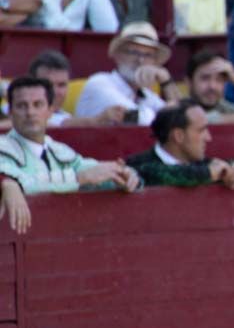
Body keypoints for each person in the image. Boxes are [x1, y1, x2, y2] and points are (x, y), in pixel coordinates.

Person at [0, 76, 139, 230]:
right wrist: (79, 178)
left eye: (38, 105)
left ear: (50, 111)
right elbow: (25, 182)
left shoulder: (59, 151)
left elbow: (92, 169)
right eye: (21, 106)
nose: (30, 112)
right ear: (10, 112)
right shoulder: (3, 148)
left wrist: (122, 175)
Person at [127, 99, 234, 188]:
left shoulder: (201, 164)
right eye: (201, 130)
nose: (208, 138)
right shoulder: (138, 165)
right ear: (178, 136)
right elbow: (158, 173)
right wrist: (209, 173)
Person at [76, 22, 182, 124]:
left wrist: (166, 81)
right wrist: (168, 114)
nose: (140, 60)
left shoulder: (146, 95)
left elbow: (184, 118)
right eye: (133, 52)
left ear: (154, 62)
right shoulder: (100, 83)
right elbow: (139, 119)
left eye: (148, 55)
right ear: (117, 56)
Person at [29, 49, 125, 127]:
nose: (55, 91)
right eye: (47, 84)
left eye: (61, 85)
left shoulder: (67, 117)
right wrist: (97, 120)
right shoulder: (19, 115)